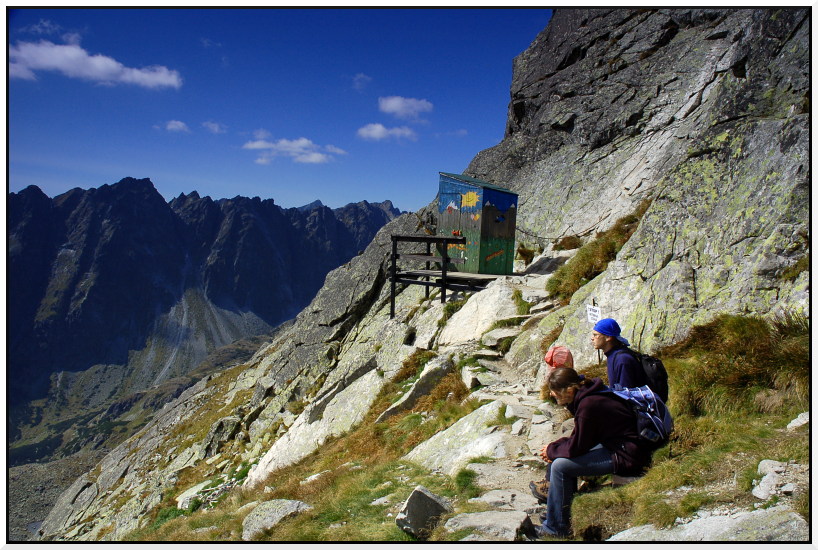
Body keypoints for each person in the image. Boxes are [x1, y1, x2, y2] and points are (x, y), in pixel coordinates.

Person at [535, 368, 653, 538]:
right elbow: (581, 438)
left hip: (625, 454)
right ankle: (557, 513)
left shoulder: (588, 404)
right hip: (618, 445)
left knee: (560, 466)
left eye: (554, 392)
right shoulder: (588, 396)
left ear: (569, 390)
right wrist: (553, 448)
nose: (552, 395)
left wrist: (552, 451)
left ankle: (556, 529)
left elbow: (577, 447)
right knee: (559, 458)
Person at [591, 318, 648, 390]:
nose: (592, 338)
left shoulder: (622, 359)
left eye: (595, 335)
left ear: (608, 337)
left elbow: (626, 394)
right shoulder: (614, 355)